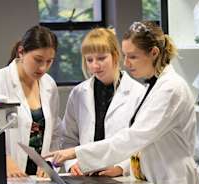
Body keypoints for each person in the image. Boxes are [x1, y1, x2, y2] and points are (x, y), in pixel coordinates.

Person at [46, 21, 199, 184]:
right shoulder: (156, 85)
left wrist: (77, 152)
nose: (126, 63)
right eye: (126, 56)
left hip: (173, 179)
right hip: (153, 179)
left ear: (154, 53)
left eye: (133, 57)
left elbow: (133, 137)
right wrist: (76, 158)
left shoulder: (171, 88)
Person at [0, 25, 62, 178]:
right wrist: (1, 159)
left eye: (49, 62)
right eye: (38, 60)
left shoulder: (49, 84)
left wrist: (48, 163)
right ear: (21, 52)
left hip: (39, 178)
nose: (42, 68)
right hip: (2, 175)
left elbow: (55, 132)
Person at [62, 28, 145, 176]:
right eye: (89, 60)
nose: (95, 65)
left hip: (121, 177)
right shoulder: (78, 93)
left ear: (115, 56)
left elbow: (142, 142)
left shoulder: (138, 93)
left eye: (101, 58)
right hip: (85, 174)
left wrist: (121, 168)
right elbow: (68, 138)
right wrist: (72, 164)